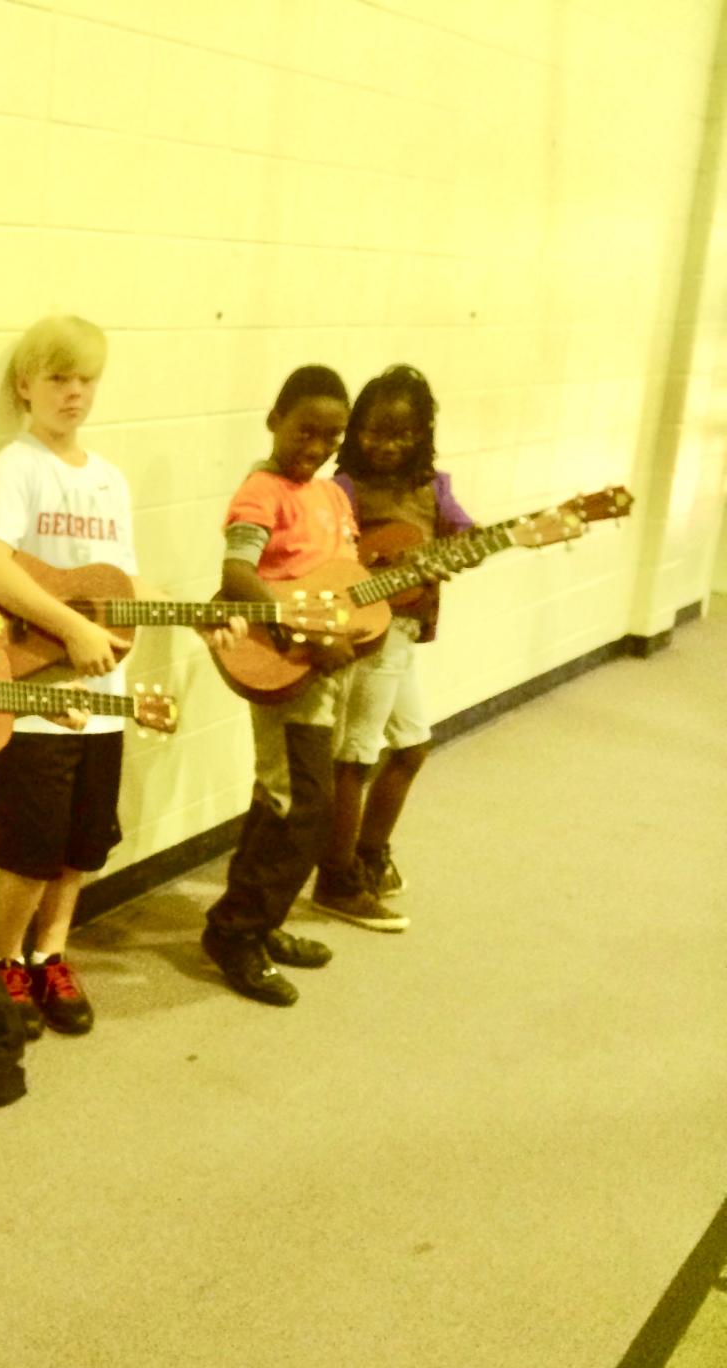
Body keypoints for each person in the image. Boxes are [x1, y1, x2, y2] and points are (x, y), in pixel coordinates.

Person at [0, 314, 135, 1039]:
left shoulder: (110, 481)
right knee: (31, 849)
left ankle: (50, 952)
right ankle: (4, 960)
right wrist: (70, 627)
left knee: (81, 846)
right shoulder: (17, 466)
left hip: (103, 699)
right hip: (35, 700)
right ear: (25, 386)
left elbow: (119, 586)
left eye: (85, 379)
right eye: (59, 378)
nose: (74, 392)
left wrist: (201, 619)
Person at [201, 364, 371, 1005]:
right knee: (301, 805)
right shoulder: (261, 491)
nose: (316, 447)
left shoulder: (332, 496)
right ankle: (236, 932)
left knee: (285, 800)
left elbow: (342, 575)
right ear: (275, 419)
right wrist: (307, 631)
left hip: (323, 670)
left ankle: (257, 923)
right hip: (282, 661)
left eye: (331, 437)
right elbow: (239, 575)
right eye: (305, 431)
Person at [314, 364, 476, 921]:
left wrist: (467, 549)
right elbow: (326, 562)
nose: (388, 445)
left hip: (405, 633)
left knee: (410, 748)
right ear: (357, 429)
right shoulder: (343, 490)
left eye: (403, 434)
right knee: (356, 753)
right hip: (369, 633)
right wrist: (379, 567)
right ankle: (335, 878)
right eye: (376, 432)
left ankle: (369, 852)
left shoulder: (434, 490)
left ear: (422, 435)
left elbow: (466, 533)